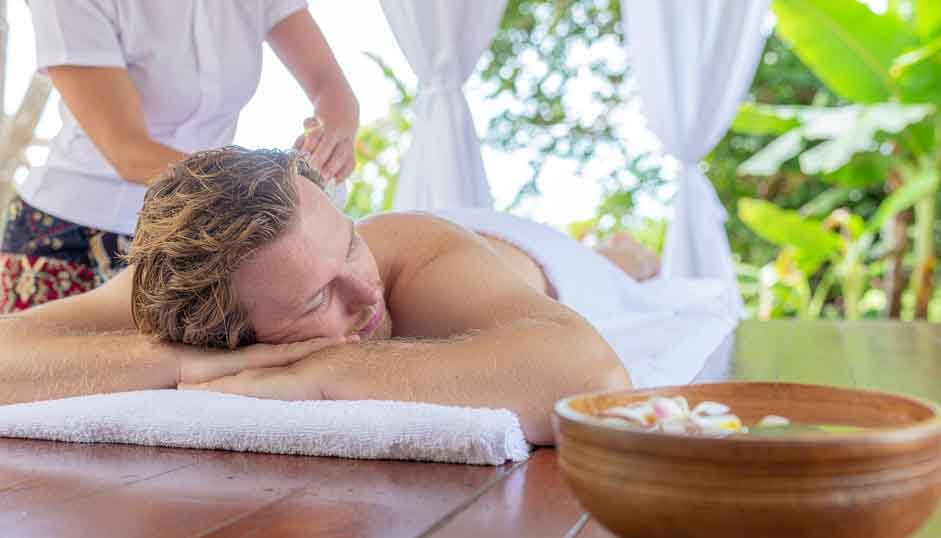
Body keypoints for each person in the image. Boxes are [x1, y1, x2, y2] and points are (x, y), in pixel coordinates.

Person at [0, 147, 663, 445]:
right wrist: (177, 365)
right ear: (223, 329)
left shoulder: (407, 261)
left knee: (622, 264)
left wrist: (325, 371)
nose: (365, 292)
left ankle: (618, 251)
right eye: (319, 296)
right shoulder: (205, 277)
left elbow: (591, 376)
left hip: (530, 254)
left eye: (348, 244)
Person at [0, 0, 358, 313]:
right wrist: (271, 189)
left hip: (193, 230)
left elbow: (329, 84)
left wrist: (334, 133)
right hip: (69, 239)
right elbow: (128, 152)